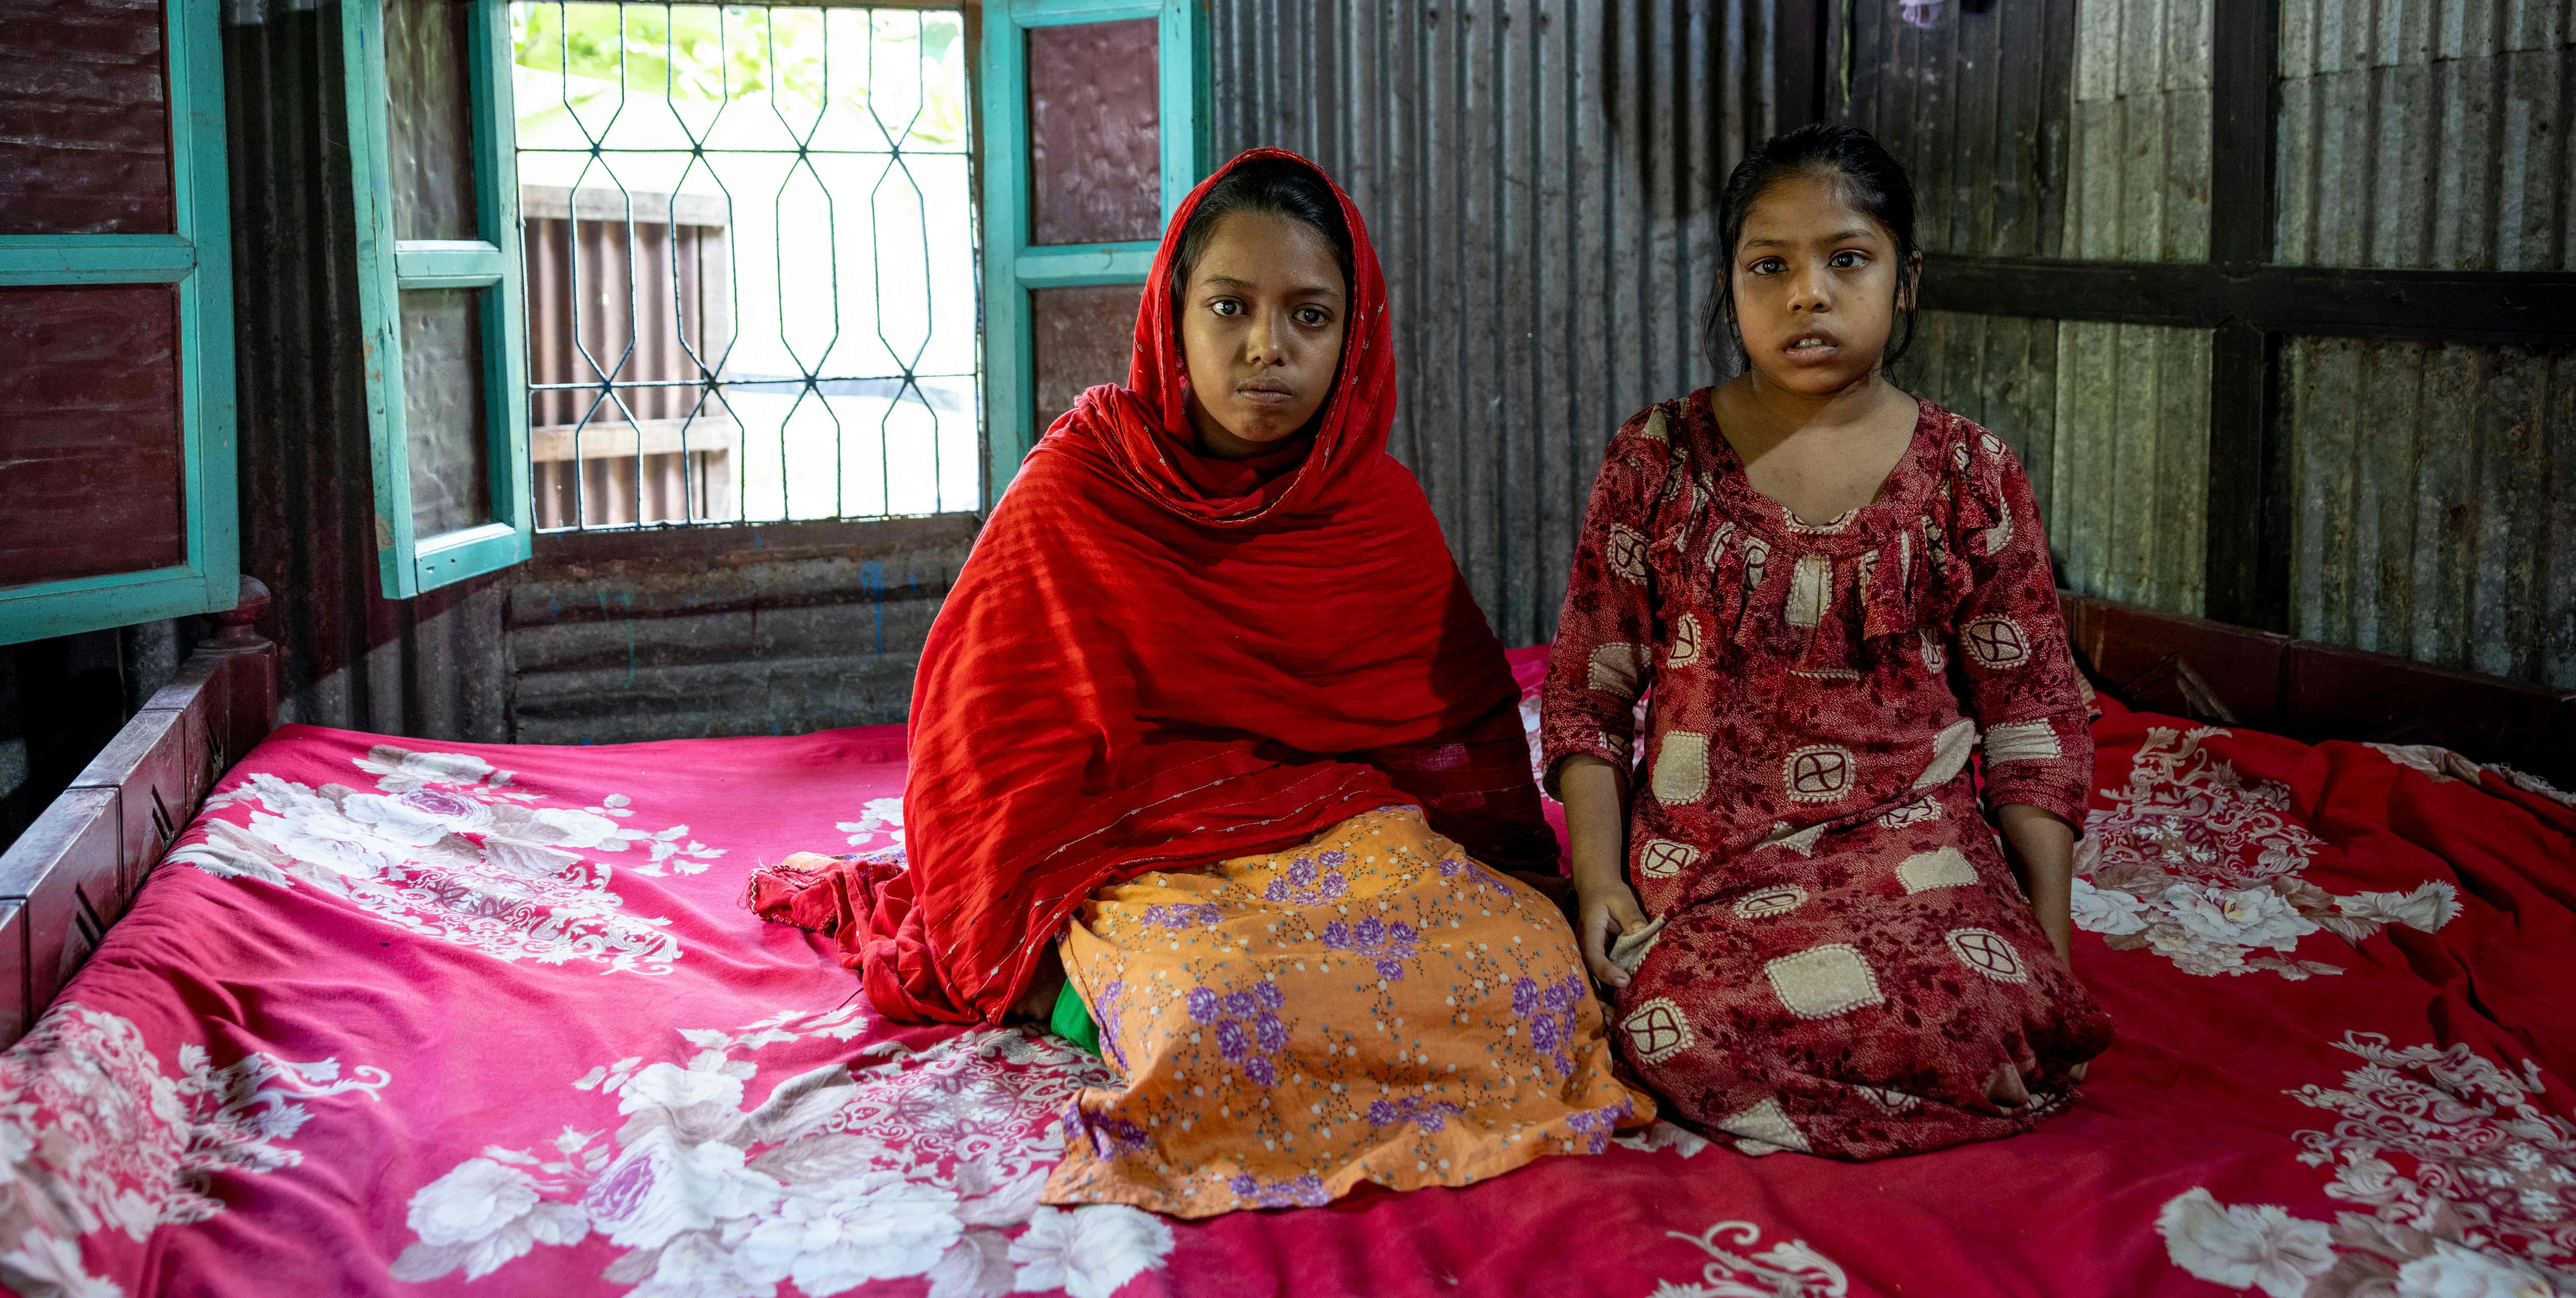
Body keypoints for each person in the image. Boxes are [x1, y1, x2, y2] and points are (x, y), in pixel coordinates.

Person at [754, 148, 1649, 1217]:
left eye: (1310, 318)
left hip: (1338, 827)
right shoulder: (1082, 486)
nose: (1266, 348)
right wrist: (1038, 933)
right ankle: (1098, 997)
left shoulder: (1373, 513)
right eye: (1230, 307)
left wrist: (1513, 881)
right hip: (1136, 839)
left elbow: (1451, 740)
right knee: (1225, 1007)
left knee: (1530, 970)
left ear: (1353, 339)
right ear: (1173, 317)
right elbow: (984, 740)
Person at [1542, 122, 2112, 1160]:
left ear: (1905, 281)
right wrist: (1599, 884)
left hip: (1912, 850)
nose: (1809, 293)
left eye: (1848, 259)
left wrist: (2049, 943)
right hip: (1711, 858)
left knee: (1993, 1017)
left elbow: (2032, 718)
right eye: (1772, 267)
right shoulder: (1658, 461)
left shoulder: (1972, 475)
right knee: (1684, 1024)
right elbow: (1589, 693)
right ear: (1732, 287)